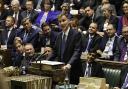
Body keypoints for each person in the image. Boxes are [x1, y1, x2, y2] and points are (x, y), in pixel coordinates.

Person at [47, 14, 82, 85]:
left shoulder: (76, 34)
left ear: (69, 21)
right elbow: (55, 52)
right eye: (60, 21)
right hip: (61, 70)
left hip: (73, 70)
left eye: (63, 20)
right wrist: (46, 61)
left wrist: (69, 64)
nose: (61, 23)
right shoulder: (59, 35)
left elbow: (77, 51)